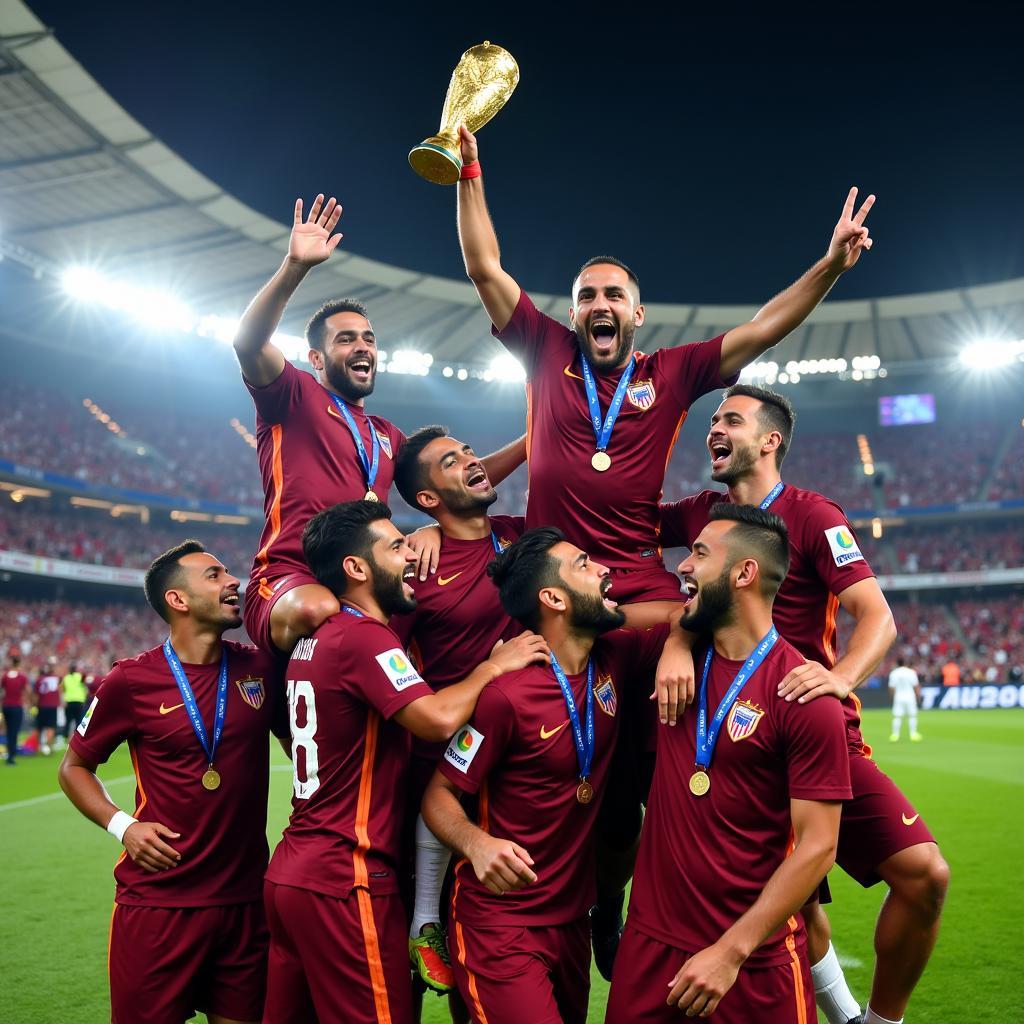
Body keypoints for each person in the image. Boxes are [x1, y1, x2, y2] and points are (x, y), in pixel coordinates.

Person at [454, 123, 876, 961]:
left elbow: (762, 330)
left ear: (638, 316)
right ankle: (478, 906)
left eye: (614, 296)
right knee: (542, 773)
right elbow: (482, 267)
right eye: (587, 295)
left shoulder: (672, 374)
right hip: (556, 599)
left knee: (670, 778)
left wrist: (829, 266)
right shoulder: (542, 351)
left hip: (642, 601)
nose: (600, 306)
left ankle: (709, 911)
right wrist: (468, 169)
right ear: (572, 312)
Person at [660, 385, 949, 1024]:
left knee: (925, 875)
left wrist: (841, 678)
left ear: (770, 441)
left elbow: (876, 615)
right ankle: (844, 1015)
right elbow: (614, 528)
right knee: (796, 903)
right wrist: (678, 639)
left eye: (730, 419)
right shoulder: (698, 516)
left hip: (813, 726)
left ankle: (878, 1020)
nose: (714, 427)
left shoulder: (813, 515)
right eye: (712, 418)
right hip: (731, 735)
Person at [262, 500, 548, 1024]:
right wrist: (491, 668)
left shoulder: (315, 639)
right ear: (356, 568)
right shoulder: (363, 636)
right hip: (346, 872)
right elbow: (437, 720)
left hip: (292, 870)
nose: (410, 557)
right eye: (396, 547)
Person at [232, 194, 524, 657]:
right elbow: (247, 343)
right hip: (291, 579)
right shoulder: (294, 395)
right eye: (345, 340)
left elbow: (454, 476)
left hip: (367, 585)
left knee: (433, 611)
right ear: (316, 358)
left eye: (369, 339)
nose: (363, 347)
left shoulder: (387, 436)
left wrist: (532, 440)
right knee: (320, 610)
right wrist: (294, 266)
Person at [607, 503, 851, 1023]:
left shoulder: (803, 694)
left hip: (753, 961)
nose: (682, 566)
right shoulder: (666, 658)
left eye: (698, 553)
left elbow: (818, 847)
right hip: (649, 947)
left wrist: (730, 952)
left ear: (745, 573)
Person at [421, 527, 671, 1024]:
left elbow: (686, 618)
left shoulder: (615, 656)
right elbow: (439, 794)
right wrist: (476, 844)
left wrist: (680, 649)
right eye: (584, 563)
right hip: (500, 923)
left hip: (571, 920)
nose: (603, 570)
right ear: (553, 597)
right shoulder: (505, 695)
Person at [58, 541, 288, 1024]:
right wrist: (124, 827)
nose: (233, 582)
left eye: (228, 572)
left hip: (246, 902)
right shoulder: (130, 680)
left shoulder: (260, 669)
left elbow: (304, 749)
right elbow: (74, 768)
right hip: (159, 904)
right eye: (213, 575)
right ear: (177, 601)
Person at [2, 656, 29, 765]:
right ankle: (11, 757)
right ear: (18, 664)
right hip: (16, 706)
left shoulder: (5, 676)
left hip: (6, 706)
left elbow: (2, 689)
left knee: (8, 731)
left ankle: (9, 754)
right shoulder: (21, 677)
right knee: (14, 731)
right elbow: (27, 690)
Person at [889, 659, 922, 742]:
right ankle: (913, 734)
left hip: (898, 697)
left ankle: (895, 735)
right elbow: (916, 686)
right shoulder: (911, 672)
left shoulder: (894, 673)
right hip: (910, 697)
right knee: (912, 716)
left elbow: (892, 688)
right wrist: (918, 697)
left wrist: (892, 697)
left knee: (897, 716)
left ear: (897, 663)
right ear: (905, 663)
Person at [34, 662, 61, 755]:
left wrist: (35, 705)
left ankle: (37, 747)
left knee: (39, 727)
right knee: (51, 727)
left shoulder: (39, 680)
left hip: (42, 706)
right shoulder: (56, 679)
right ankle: (49, 747)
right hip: (52, 706)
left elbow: (37, 695)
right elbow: (59, 691)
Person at [62, 662, 88, 738]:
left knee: (68, 721)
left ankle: (65, 737)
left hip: (69, 701)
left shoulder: (66, 678)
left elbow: (63, 689)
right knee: (78, 721)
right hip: (79, 701)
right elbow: (86, 688)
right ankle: (77, 737)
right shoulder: (80, 676)